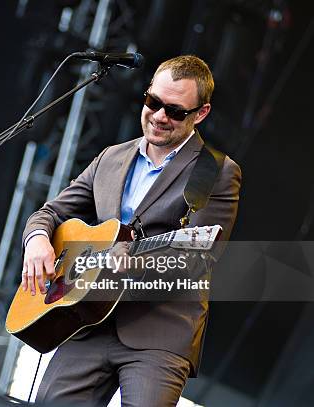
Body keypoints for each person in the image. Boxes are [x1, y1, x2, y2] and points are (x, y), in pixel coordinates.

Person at [21, 55, 241, 406]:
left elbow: (198, 258)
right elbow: (50, 212)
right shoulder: (111, 157)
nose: (159, 117)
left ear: (201, 114)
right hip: (87, 319)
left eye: (175, 111)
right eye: (153, 102)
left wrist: (132, 264)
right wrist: (36, 241)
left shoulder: (216, 171)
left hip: (159, 331)